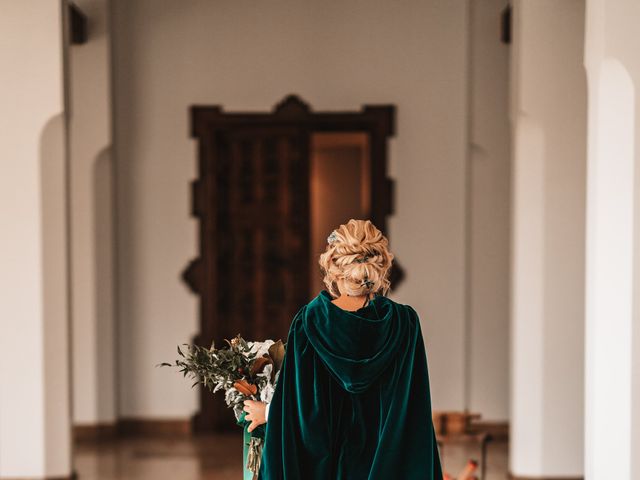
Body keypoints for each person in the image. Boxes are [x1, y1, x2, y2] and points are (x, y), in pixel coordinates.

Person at [243, 219, 443, 479]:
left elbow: (305, 410)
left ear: (333, 268)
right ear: (381, 267)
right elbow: (412, 412)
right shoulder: (406, 324)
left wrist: (268, 412)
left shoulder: (310, 321)